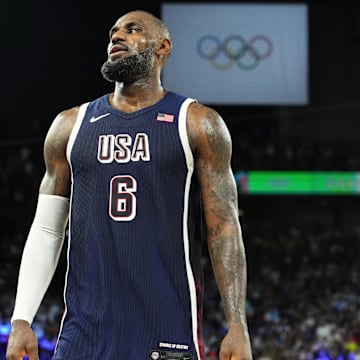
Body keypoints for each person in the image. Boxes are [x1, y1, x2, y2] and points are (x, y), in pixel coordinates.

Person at [6, 9, 253, 360]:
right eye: (113, 33)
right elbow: (47, 228)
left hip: (166, 329)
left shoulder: (197, 123)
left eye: (132, 30)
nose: (116, 37)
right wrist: (21, 319)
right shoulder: (69, 126)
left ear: (162, 47)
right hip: (83, 334)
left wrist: (237, 324)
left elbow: (224, 228)